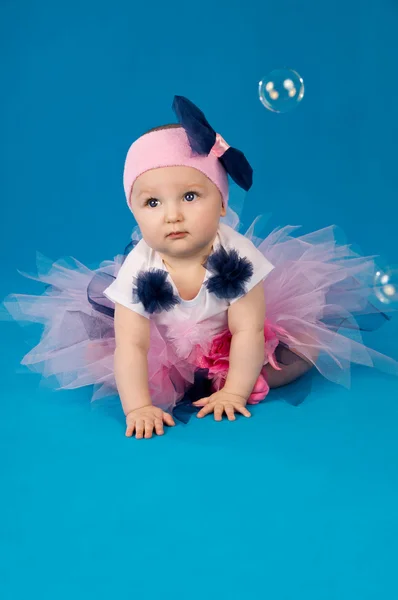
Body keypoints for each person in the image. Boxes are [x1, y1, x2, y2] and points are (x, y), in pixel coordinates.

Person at [4, 96, 397, 439]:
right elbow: (134, 344)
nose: (172, 215)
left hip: (232, 343)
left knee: (292, 355)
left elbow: (246, 330)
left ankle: (239, 380)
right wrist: (138, 407)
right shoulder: (139, 269)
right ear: (135, 213)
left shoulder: (236, 255)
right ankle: (173, 389)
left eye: (190, 195)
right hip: (165, 352)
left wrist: (235, 392)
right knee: (117, 361)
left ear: (223, 203)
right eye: (152, 203)